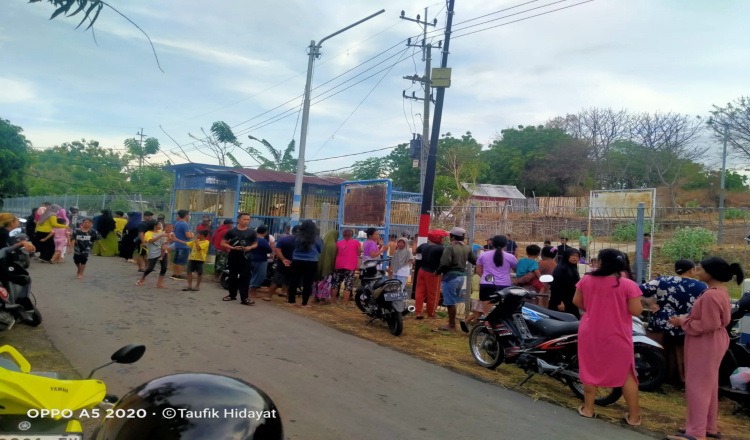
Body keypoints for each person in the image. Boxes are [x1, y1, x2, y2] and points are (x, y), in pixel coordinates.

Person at [666, 258, 742, 440]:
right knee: (708, 385)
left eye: (699, 269)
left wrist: (681, 321)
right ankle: (708, 427)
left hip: (705, 341)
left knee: (697, 386)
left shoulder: (710, 295)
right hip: (714, 340)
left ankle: (696, 433)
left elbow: (708, 324)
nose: (697, 272)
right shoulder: (720, 291)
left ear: (710, 273)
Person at [573, 248, 643, 424]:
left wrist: (595, 309)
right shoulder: (628, 285)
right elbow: (636, 310)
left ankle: (588, 409)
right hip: (618, 333)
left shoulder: (587, 280)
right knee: (627, 374)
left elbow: (577, 302)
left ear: (601, 262)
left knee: (589, 369)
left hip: (590, 331)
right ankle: (634, 417)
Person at [640, 259, 708, 384]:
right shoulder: (702, 286)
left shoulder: (662, 281)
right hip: (684, 325)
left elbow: (637, 290)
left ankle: (652, 373)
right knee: (680, 350)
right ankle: (678, 377)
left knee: (654, 349)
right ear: (691, 270)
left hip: (660, 323)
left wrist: (648, 301)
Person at [435, 227, 477, 332]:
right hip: (461, 277)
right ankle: (452, 323)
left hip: (450, 277)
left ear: (452, 237)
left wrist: (437, 272)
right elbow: (475, 261)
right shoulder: (467, 248)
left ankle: (452, 325)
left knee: (450, 303)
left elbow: (444, 263)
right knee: (452, 301)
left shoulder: (450, 248)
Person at [475, 235, 518, 317]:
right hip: (504, 286)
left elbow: (478, 271)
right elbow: (517, 271)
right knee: (503, 314)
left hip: (487, 285)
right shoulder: (511, 257)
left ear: (492, 243)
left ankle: (488, 329)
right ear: (505, 245)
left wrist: (490, 280)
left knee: (487, 314)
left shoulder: (483, 255)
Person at [221, 213, 258, 306]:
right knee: (232, 275)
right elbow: (223, 243)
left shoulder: (252, 232)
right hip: (234, 256)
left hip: (246, 257)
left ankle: (244, 298)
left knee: (245, 277)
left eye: (248, 220)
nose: (246, 221)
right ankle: (231, 295)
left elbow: (255, 243)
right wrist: (232, 247)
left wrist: (250, 247)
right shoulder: (231, 231)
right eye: (244, 219)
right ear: (238, 220)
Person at [288, 220, 323, 308]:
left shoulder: (296, 237)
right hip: (311, 262)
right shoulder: (317, 238)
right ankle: (304, 303)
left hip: (297, 260)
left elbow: (293, 247)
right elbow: (320, 250)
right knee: (308, 283)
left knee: (294, 281)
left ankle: (291, 301)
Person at [414, 229, 449, 319]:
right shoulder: (441, 248)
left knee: (420, 292)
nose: (443, 239)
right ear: (437, 238)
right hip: (433, 273)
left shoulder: (424, 246)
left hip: (421, 271)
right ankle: (431, 313)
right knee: (433, 294)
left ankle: (418, 312)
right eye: (442, 237)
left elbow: (415, 252)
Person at [550, 247, 581, 318]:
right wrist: (559, 302)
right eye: (572, 255)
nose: (575, 258)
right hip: (562, 301)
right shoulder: (560, 269)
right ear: (567, 256)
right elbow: (556, 287)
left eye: (577, 256)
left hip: (571, 299)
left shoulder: (573, 268)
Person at [333, 228, 361, 307]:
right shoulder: (356, 242)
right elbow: (359, 254)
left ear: (343, 234)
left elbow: (336, 253)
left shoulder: (338, 243)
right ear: (352, 234)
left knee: (336, 283)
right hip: (350, 265)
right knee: (348, 284)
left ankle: (333, 301)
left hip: (339, 265)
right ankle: (345, 303)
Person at [137, 221, 169, 288]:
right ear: (154, 226)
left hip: (162, 250)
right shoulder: (148, 233)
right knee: (150, 268)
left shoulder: (161, 232)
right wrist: (160, 236)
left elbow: (166, 239)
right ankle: (142, 279)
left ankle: (159, 283)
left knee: (164, 267)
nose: (160, 226)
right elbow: (150, 241)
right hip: (153, 251)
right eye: (159, 225)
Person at [270, 225, 298, 301]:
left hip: (283, 262)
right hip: (295, 263)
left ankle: (269, 296)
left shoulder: (284, 239)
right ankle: (288, 297)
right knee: (291, 281)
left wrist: (283, 259)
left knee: (276, 280)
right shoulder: (302, 241)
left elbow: (277, 250)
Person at [249, 226, 273, 300]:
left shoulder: (252, 239)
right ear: (265, 233)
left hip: (250, 258)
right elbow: (269, 250)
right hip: (260, 260)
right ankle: (252, 293)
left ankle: (249, 291)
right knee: (259, 276)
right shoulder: (263, 241)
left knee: (252, 275)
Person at [315, 229, 339, 304]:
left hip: (318, 265)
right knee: (325, 282)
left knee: (317, 281)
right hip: (327, 267)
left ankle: (315, 298)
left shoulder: (322, 242)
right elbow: (334, 257)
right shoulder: (334, 245)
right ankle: (323, 299)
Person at [171, 210, 193, 280]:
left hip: (177, 244)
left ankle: (174, 274)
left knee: (176, 260)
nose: (189, 216)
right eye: (189, 214)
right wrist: (192, 235)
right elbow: (188, 235)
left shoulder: (177, 223)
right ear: (186, 215)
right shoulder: (184, 224)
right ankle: (179, 275)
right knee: (181, 261)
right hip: (184, 245)